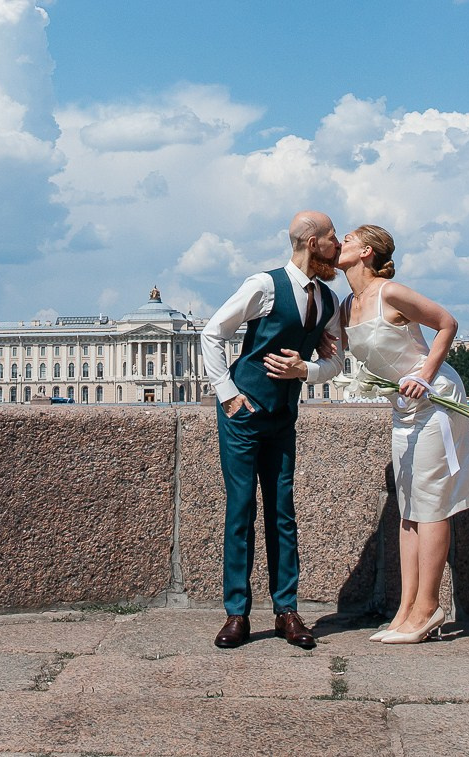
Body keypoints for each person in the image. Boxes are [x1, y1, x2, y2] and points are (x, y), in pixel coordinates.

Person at [199, 210, 346, 650]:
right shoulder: (263, 286)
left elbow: (336, 362)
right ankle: (237, 613)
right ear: (310, 241)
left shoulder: (328, 300)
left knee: (283, 512)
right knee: (241, 510)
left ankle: (287, 610)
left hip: (284, 415)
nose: (338, 248)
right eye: (332, 239)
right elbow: (213, 332)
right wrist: (227, 394)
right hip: (243, 415)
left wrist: (307, 370)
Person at [332, 223, 469, 644]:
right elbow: (332, 354)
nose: (341, 244)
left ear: (367, 253)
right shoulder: (345, 306)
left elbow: (447, 323)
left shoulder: (390, 292)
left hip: (434, 400)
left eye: (349, 240)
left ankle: (428, 608)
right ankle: (405, 609)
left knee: (430, 503)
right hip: (403, 406)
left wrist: (425, 375)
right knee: (409, 506)